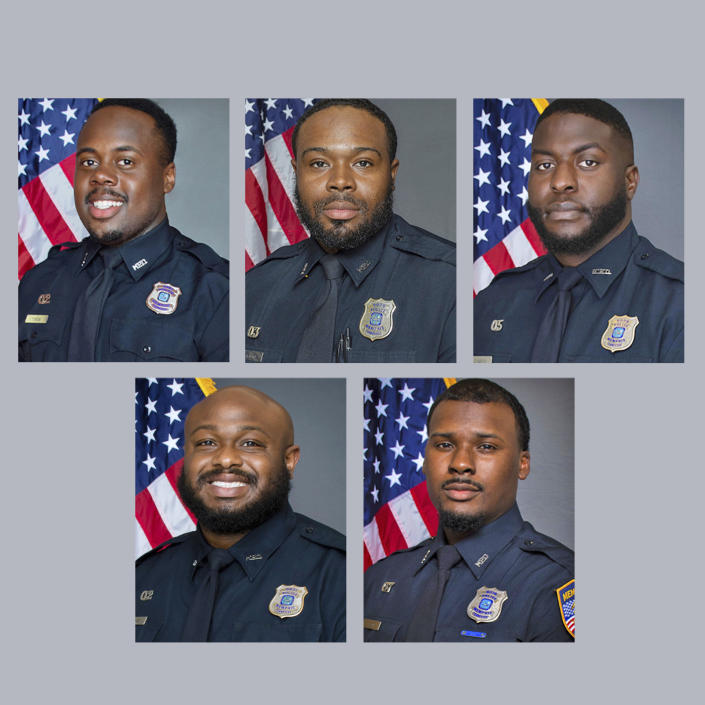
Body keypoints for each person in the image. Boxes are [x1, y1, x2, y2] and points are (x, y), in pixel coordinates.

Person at [245, 99, 455, 363]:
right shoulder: (254, 288)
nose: (340, 182)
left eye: (363, 163)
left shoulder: (451, 283)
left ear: (391, 174)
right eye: (319, 163)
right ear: (296, 172)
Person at [364, 378, 574, 642]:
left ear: (522, 464)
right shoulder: (379, 577)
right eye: (444, 445)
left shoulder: (556, 583)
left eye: (486, 447)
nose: (460, 463)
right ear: (425, 460)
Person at [18, 98, 229, 361]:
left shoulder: (217, 291)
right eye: (88, 162)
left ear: (167, 177)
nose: (100, 175)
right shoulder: (37, 282)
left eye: (125, 161)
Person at [474, 99, 683, 363]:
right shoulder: (493, 300)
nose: (561, 182)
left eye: (587, 162)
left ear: (629, 181)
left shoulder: (679, 303)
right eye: (544, 165)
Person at [136, 386, 346, 642]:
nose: (225, 459)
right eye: (207, 443)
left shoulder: (341, 574)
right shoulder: (143, 575)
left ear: (289, 460)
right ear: (186, 457)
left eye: (250, 444)